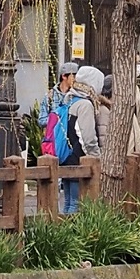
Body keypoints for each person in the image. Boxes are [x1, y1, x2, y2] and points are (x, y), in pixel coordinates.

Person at [60, 65, 104, 213]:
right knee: (76, 203)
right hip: (78, 158)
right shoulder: (85, 104)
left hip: (65, 156)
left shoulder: (69, 98)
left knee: (68, 201)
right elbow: (87, 137)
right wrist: (97, 157)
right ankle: (71, 234)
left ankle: (62, 232)